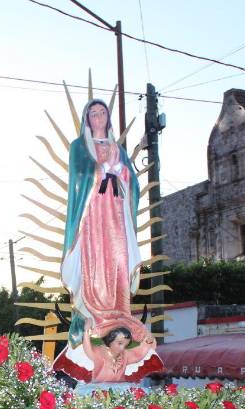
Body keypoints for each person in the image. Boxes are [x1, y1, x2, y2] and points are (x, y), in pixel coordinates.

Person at [53, 98, 163, 384]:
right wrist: (100, 170)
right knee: (96, 263)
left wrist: (121, 172)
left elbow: (133, 183)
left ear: (108, 118)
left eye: (103, 112)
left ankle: (120, 313)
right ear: (87, 119)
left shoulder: (118, 149)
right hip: (92, 216)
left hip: (115, 216)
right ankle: (96, 312)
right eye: (94, 113)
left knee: (118, 261)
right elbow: (78, 176)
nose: (99, 117)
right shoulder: (79, 147)